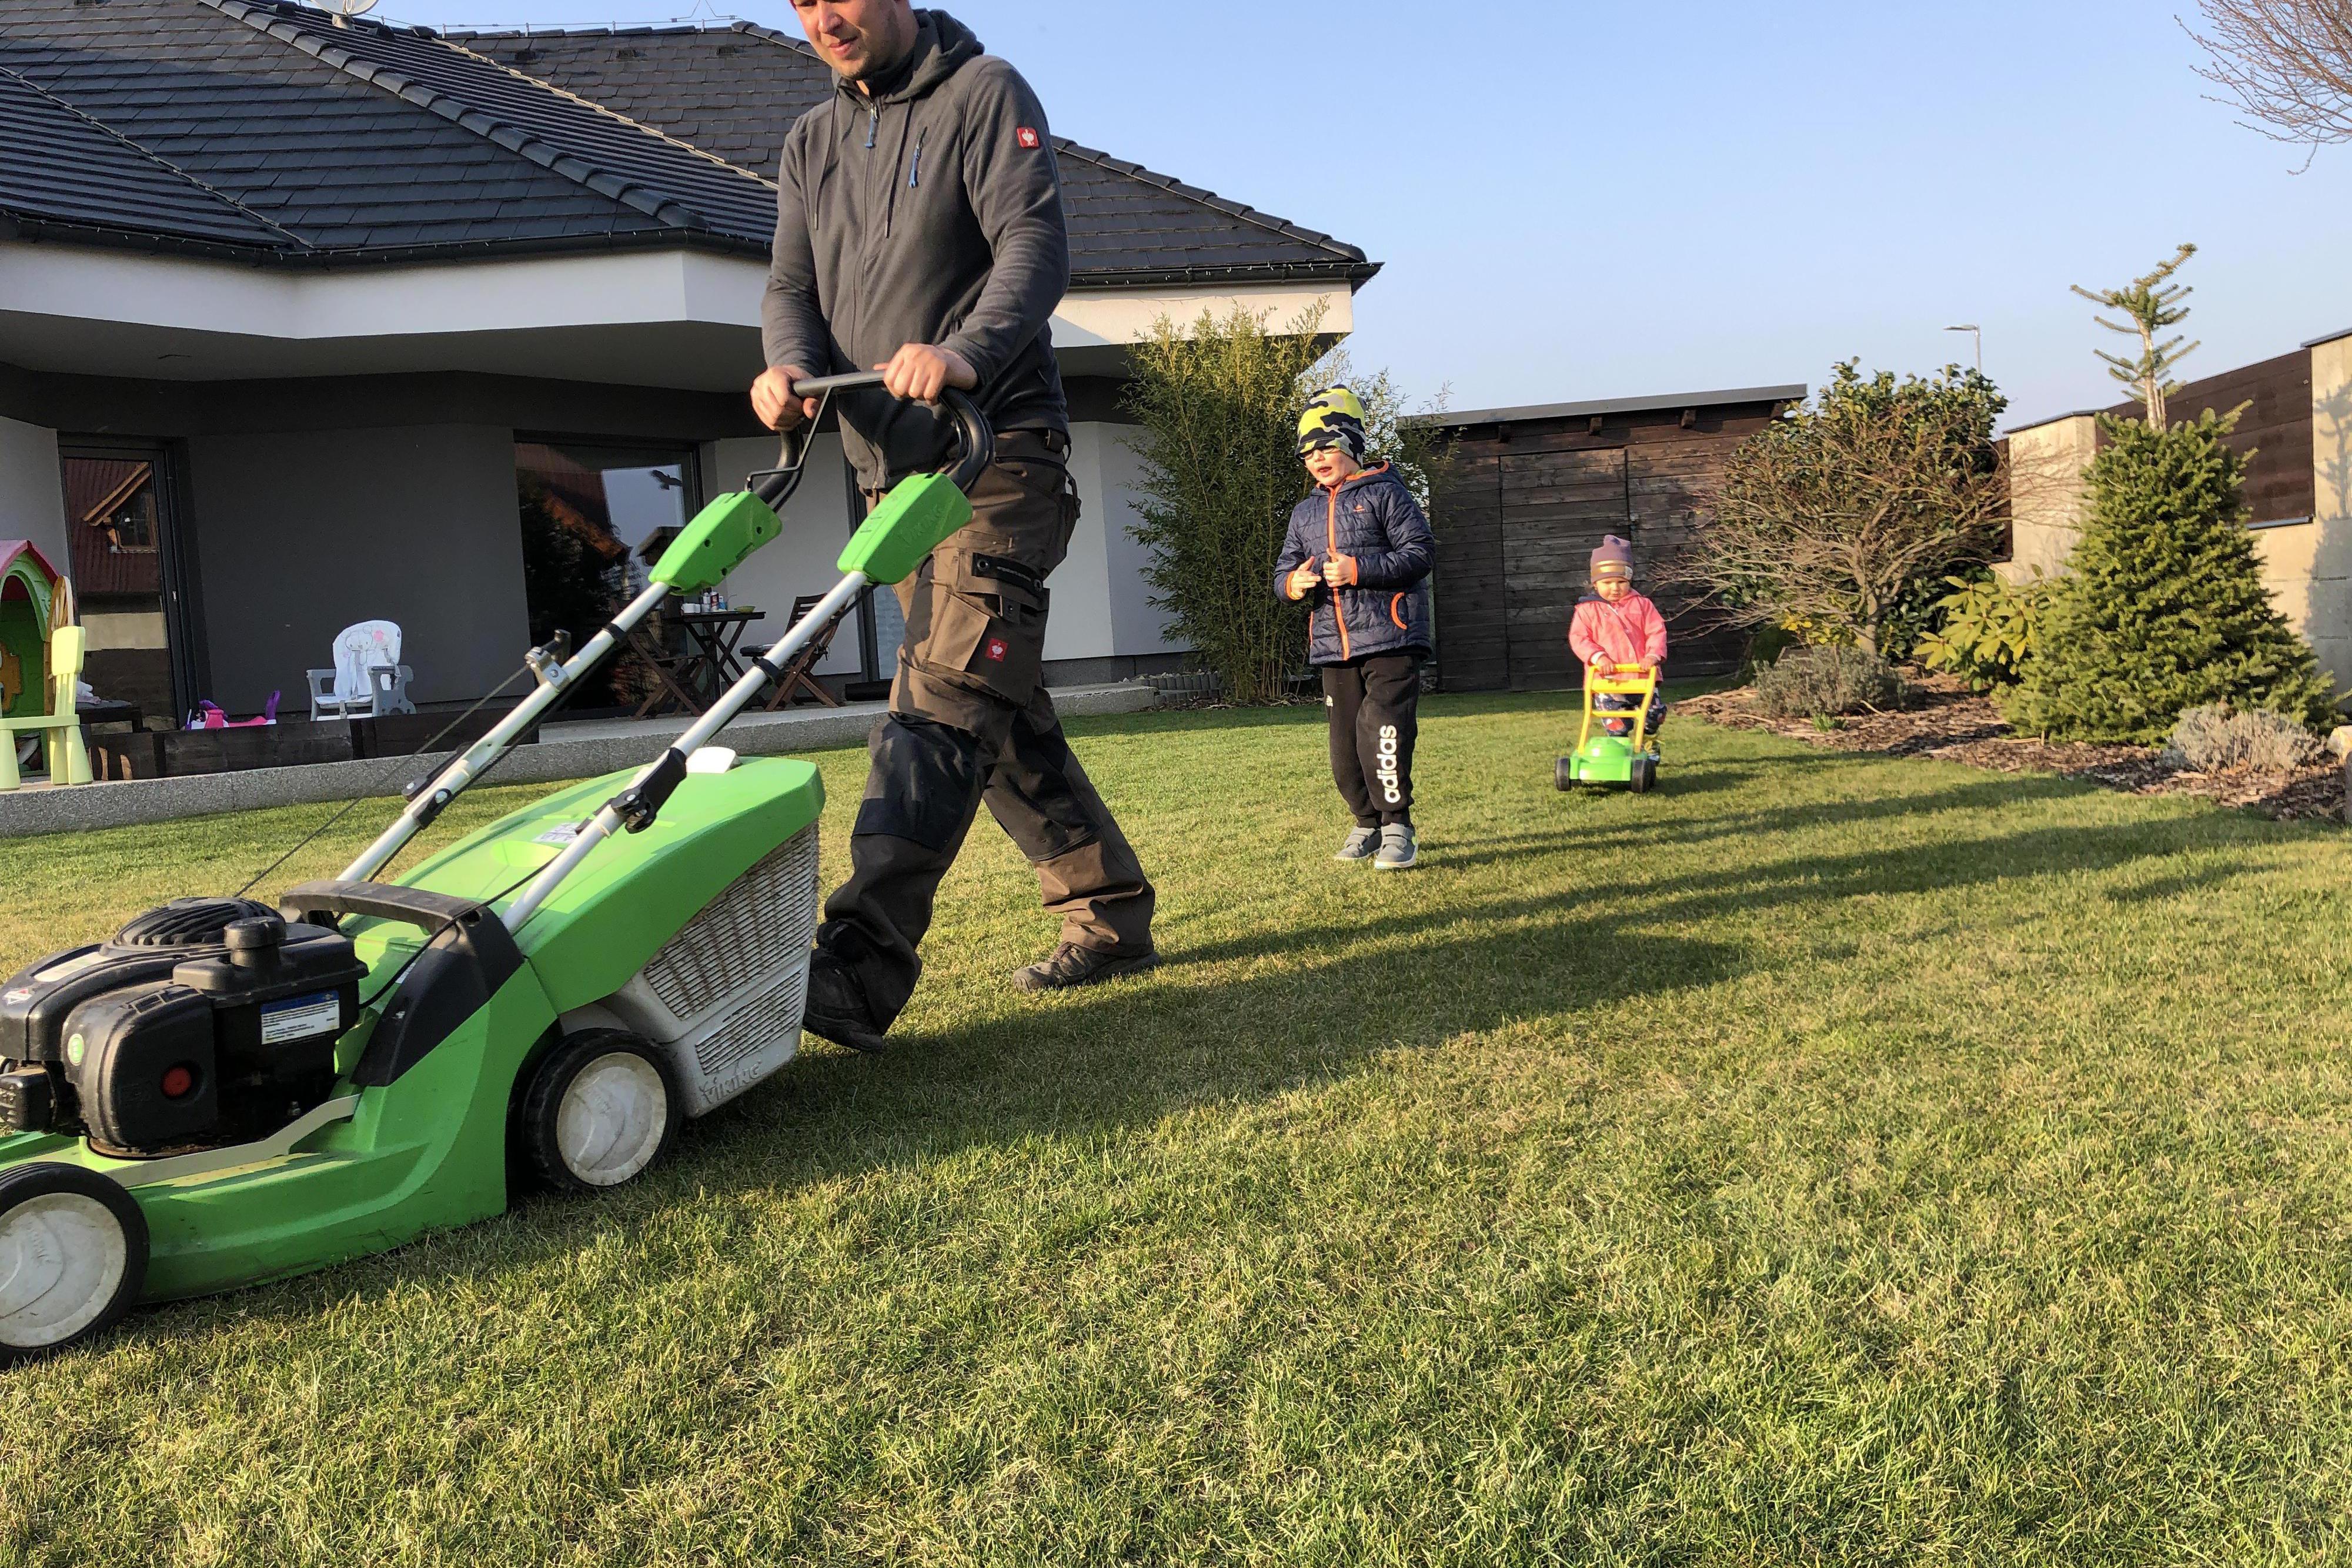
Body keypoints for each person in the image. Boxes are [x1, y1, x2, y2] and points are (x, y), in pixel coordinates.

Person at [752, 0, 1156, 1052]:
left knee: (941, 699)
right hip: (891, 481)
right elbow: (791, 286)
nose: (822, 18)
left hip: (997, 451)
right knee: (1000, 715)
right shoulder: (811, 140)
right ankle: (1108, 914)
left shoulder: (986, 94)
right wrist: (786, 368)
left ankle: (860, 963)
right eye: (798, 2)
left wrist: (968, 349)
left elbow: (1034, 242)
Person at [1274, 387, 1435, 871]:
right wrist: (1294, 584)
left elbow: (1420, 554)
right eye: (1307, 451)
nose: (1316, 458)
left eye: (1326, 446)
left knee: (1379, 733)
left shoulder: (1387, 492)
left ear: (1350, 444)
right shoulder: (1304, 513)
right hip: (1332, 647)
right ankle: (1365, 823)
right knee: (1344, 750)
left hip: (1391, 640)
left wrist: (1359, 570)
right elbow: (1282, 571)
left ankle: (1397, 827)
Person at [1568, 536, 1668, 738]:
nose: (1615, 588)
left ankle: (1649, 742)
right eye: (1608, 582)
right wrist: (1599, 657)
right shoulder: (1586, 610)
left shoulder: (1642, 605)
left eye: (1621, 582)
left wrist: (1652, 656)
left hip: (1642, 676)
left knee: (1653, 715)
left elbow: (1656, 632)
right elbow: (1579, 638)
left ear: (1629, 580)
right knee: (1617, 725)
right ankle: (1619, 754)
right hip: (1607, 680)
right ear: (1595, 584)